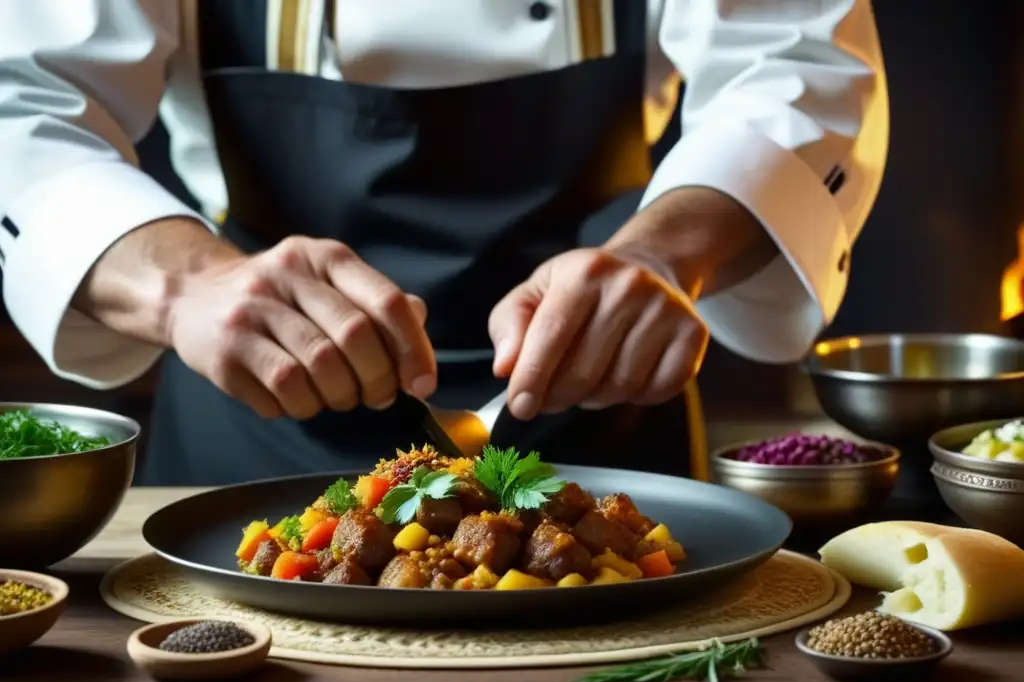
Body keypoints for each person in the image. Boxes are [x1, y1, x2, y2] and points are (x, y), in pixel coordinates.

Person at [0, 0, 888, 486]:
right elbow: (23, 105)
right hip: (253, 410)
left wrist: (663, 255)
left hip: (601, 400)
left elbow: (797, 62)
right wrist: (188, 286)